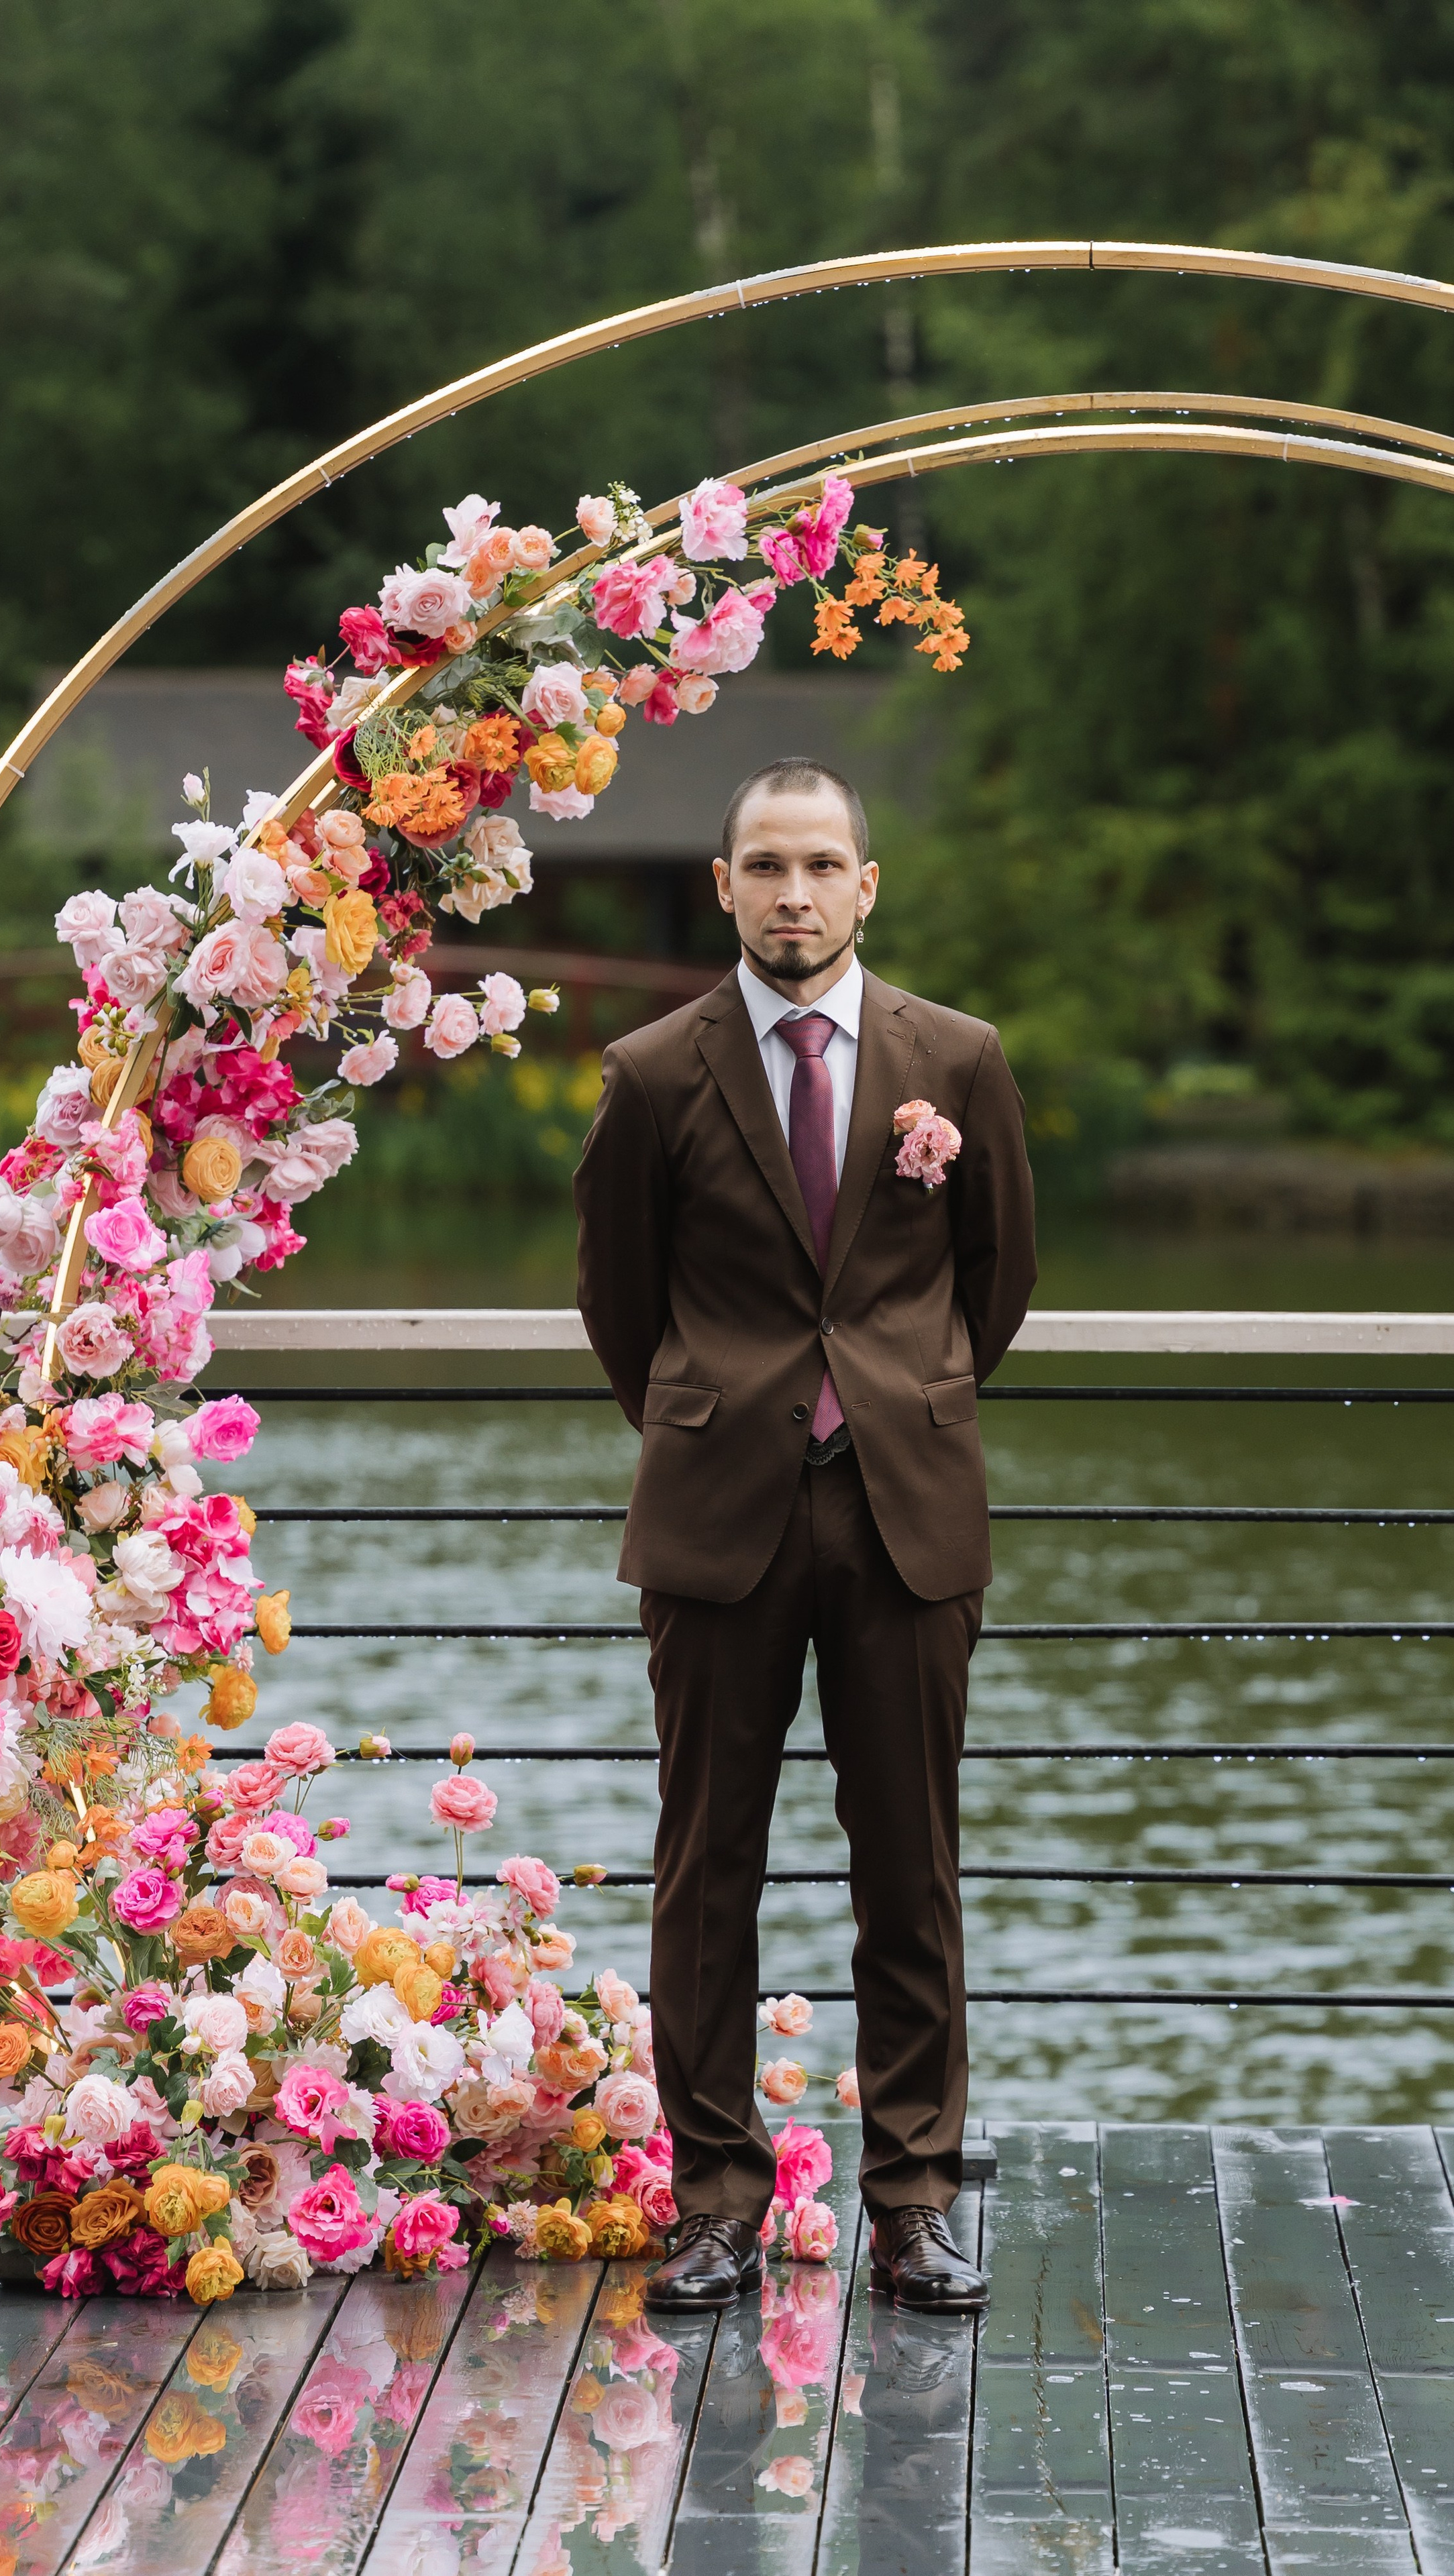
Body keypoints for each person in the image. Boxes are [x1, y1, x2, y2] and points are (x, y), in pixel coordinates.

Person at [573, 756, 1035, 2314]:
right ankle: (714, 2197)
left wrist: (898, 1399)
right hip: (718, 1519)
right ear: (722, 886)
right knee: (707, 1867)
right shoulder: (649, 1072)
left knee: (909, 1868)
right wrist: (713, 1414)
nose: (792, 892)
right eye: (763, 865)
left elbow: (998, 1278)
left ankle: (911, 2198)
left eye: (819, 864)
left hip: (905, 1506)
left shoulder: (954, 1062)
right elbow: (617, 1301)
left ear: (864, 883)